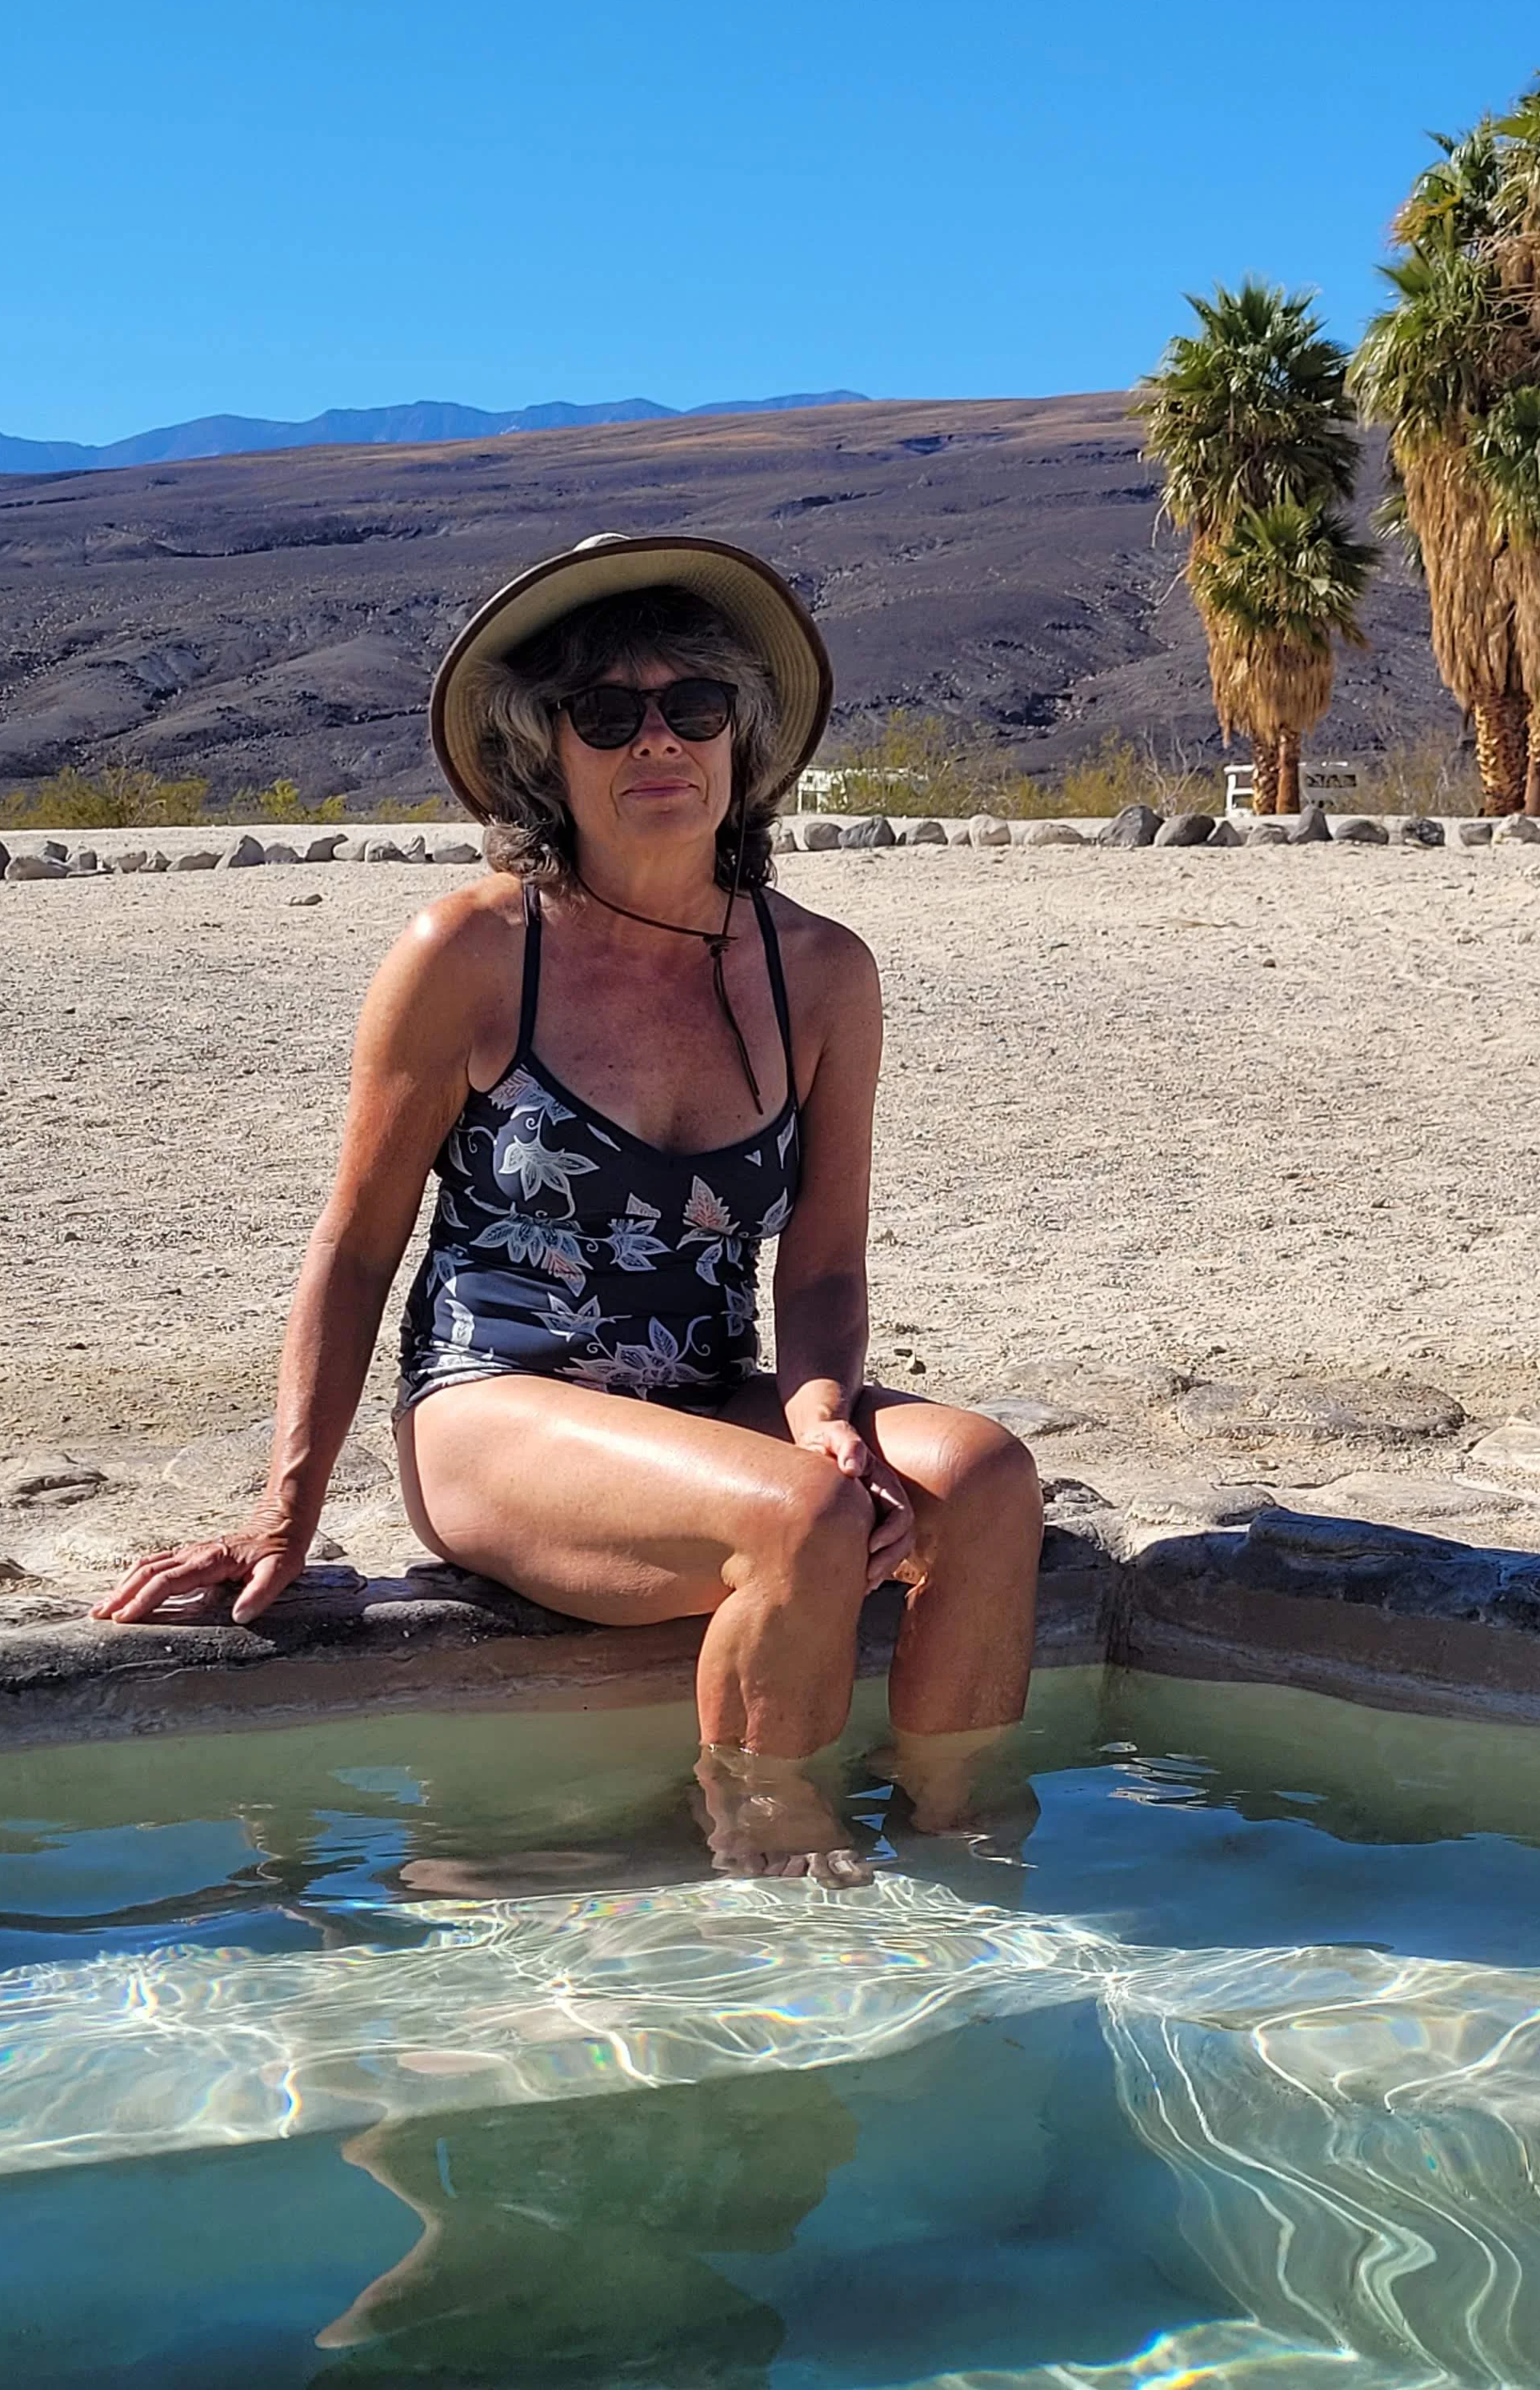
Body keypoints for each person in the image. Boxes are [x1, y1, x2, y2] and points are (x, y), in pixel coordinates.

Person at [94, 534, 1042, 1873]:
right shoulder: (473, 952)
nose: (656, 742)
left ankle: (963, 1849)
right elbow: (358, 1248)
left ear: (740, 737)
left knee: (988, 1480)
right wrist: (284, 1517)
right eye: (607, 713)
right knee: (802, 1518)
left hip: (709, 1393)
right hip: (495, 1406)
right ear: (549, 751)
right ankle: (769, 1864)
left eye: (691, 708)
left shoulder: (823, 970)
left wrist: (823, 1404)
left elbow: (821, 1266)